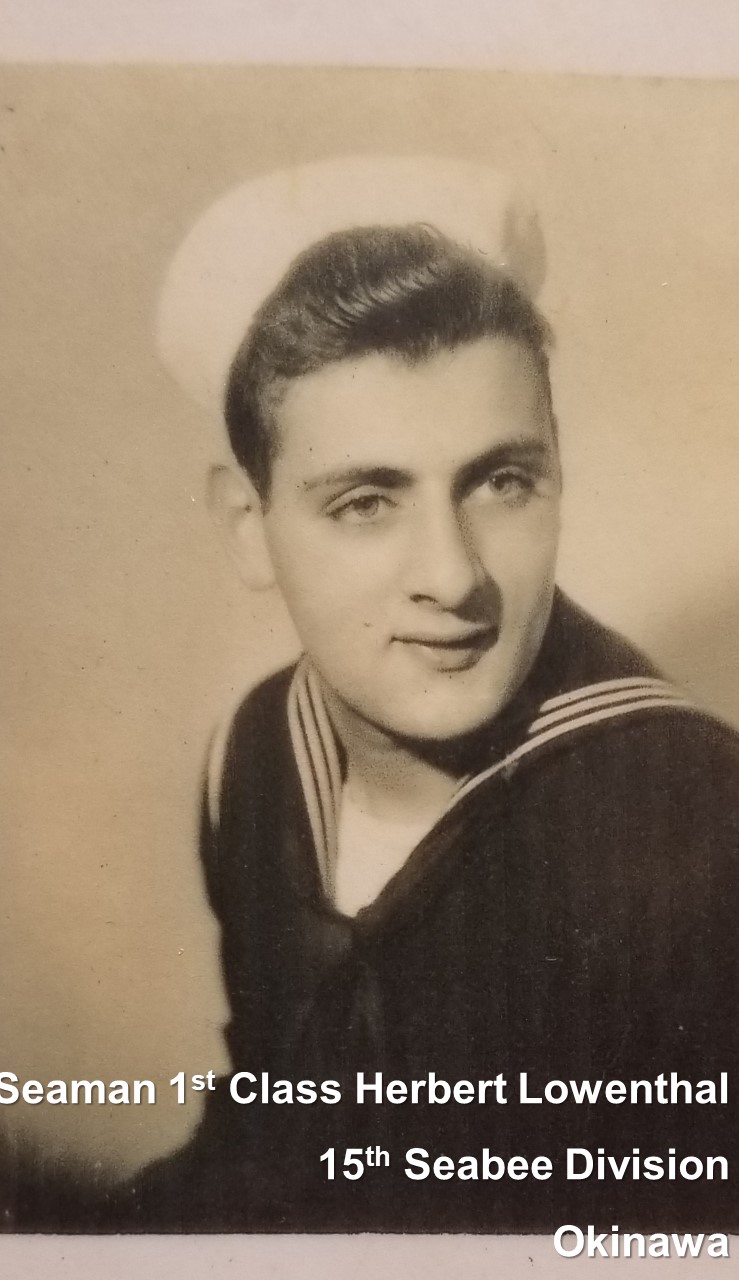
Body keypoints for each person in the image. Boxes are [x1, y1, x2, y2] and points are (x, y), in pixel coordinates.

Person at [126, 157, 739, 1233]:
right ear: (247, 526)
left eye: (502, 482)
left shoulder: (698, 827)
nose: (453, 577)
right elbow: (271, 1127)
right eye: (366, 501)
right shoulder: (256, 753)